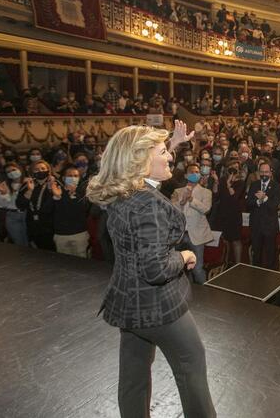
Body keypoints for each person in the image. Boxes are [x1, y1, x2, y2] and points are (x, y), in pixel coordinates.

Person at [85, 121, 215, 418]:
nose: (170, 157)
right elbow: (155, 268)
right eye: (162, 151)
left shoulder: (123, 189)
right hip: (158, 306)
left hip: (127, 302)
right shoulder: (149, 205)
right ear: (141, 161)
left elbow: (143, 169)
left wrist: (174, 144)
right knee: (191, 364)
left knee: (133, 376)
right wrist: (183, 256)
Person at [171, 164, 214, 284]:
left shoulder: (206, 192)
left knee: (197, 269)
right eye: (191, 171)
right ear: (186, 175)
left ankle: (205, 292)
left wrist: (191, 200)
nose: (195, 174)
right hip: (180, 235)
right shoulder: (177, 191)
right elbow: (172, 210)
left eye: (197, 172)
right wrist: (183, 201)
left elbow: (206, 209)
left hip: (197, 235)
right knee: (178, 267)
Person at [246, 160, 280, 269]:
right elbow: (248, 204)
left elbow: (274, 206)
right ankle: (257, 276)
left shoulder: (276, 187)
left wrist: (264, 198)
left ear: (271, 173)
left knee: (270, 254)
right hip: (256, 225)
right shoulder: (254, 185)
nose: (264, 174)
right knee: (256, 253)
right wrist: (258, 201)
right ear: (259, 173)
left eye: (266, 172)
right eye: (262, 172)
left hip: (269, 226)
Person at [50, 166, 90, 257]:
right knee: (64, 263)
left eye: (76, 176)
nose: (73, 178)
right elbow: (47, 210)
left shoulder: (83, 193)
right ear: (64, 178)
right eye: (70, 175)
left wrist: (73, 195)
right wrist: (57, 197)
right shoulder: (56, 191)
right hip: (61, 235)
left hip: (80, 234)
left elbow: (84, 210)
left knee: (82, 262)